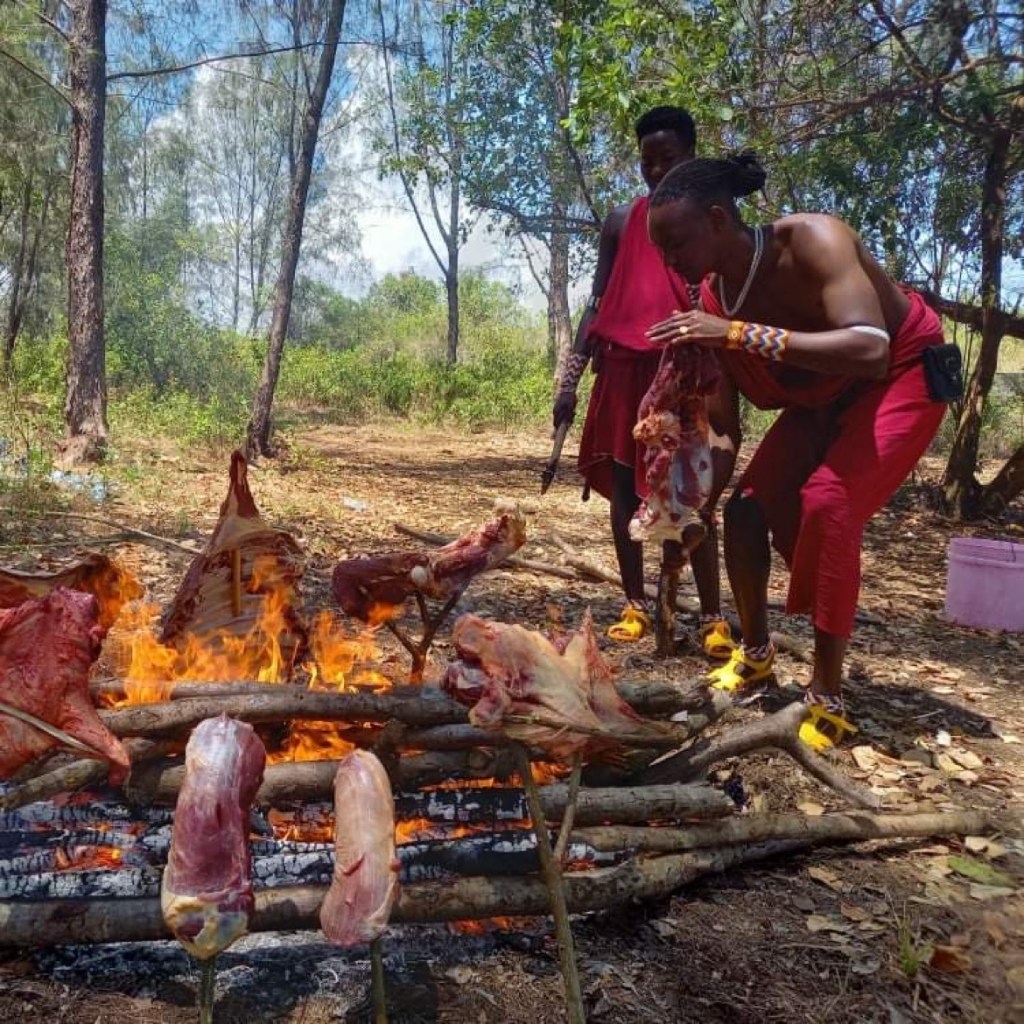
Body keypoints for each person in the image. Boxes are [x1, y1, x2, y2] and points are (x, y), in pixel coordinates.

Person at [645, 152, 949, 750]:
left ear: (717, 219)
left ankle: (826, 697)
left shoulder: (815, 240)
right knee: (745, 510)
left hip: (902, 371)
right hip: (825, 393)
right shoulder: (712, 303)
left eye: (676, 243)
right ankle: (756, 655)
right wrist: (695, 507)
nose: (669, 259)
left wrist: (736, 334)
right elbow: (724, 427)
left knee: (829, 502)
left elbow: (870, 350)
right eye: (661, 249)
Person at [553, 105, 735, 655]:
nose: (656, 171)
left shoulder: (714, 217)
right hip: (622, 369)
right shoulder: (619, 221)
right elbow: (597, 301)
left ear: (691, 157)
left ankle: (712, 616)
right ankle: (635, 603)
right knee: (625, 483)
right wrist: (570, 380)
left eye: (668, 159)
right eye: (647, 162)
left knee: (694, 488)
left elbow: (723, 295)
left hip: (685, 367)